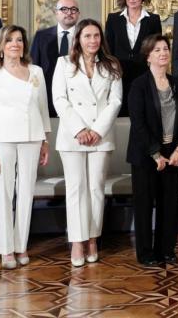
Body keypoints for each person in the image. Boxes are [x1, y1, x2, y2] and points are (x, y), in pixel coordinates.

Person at [0, 25, 51, 269]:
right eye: (10, 40)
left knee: (26, 193)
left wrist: (45, 141)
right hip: (2, 137)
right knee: (5, 192)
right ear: (1, 45)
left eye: (19, 40)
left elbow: (42, 109)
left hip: (32, 136)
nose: (15, 44)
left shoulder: (36, 71)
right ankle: (6, 249)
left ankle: (21, 246)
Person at [52, 19, 123, 266]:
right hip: (73, 136)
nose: (92, 40)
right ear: (78, 39)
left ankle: (92, 238)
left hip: (100, 137)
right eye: (87, 36)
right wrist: (80, 128)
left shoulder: (111, 65)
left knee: (95, 189)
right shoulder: (63, 64)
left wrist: (97, 130)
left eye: (96, 36)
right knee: (76, 190)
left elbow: (115, 101)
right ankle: (77, 242)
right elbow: (59, 99)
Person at [127, 34, 178, 266]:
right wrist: (155, 153)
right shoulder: (139, 85)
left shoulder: (176, 83)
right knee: (144, 205)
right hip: (145, 155)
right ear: (148, 56)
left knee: (169, 204)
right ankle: (145, 253)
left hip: (172, 154)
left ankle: (167, 250)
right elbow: (138, 123)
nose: (163, 53)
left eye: (165, 49)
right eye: (157, 50)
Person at [106, 0, 162, 116]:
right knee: (120, 115)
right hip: (119, 75)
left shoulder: (153, 20)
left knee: (143, 114)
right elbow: (108, 50)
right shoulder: (113, 19)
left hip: (144, 75)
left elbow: (156, 50)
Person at [31, 0, 81, 116]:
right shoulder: (41, 36)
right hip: (47, 97)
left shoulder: (86, 36)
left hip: (77, 98)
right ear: (56, 12)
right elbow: (33, 69)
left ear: (78, 14)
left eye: (73, 9)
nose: (69, 13)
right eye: (64, 9)